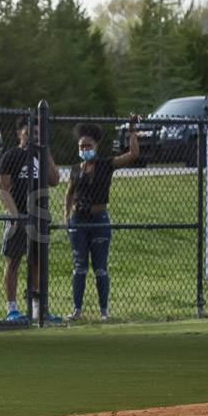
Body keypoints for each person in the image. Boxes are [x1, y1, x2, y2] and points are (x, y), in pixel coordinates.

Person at [64, 116, 139, 320]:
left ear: (96, 145)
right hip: (79, 221)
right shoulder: (75, 169)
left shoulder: (106, 164)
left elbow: (133, 154)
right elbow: (69, 192)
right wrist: (67, 214)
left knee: (100, 267)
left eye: (88, 145)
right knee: (79, 266)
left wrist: (132, 129)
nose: (85, 148)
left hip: (99, 220)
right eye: (82, 145)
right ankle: (77, 310)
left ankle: (104, 311)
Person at [0, 115, 61, 322]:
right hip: (19, 217)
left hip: (39, 218)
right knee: (13, 262)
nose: (33, 137)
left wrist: (46, 150)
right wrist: (15, 216)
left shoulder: (41, 157)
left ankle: (38, 309)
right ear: (19, 134)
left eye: (37, 134)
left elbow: (55, 180)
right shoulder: (11, 156)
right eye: (29, 133)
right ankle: (12, 309)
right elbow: (3, 189)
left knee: (37, 264)